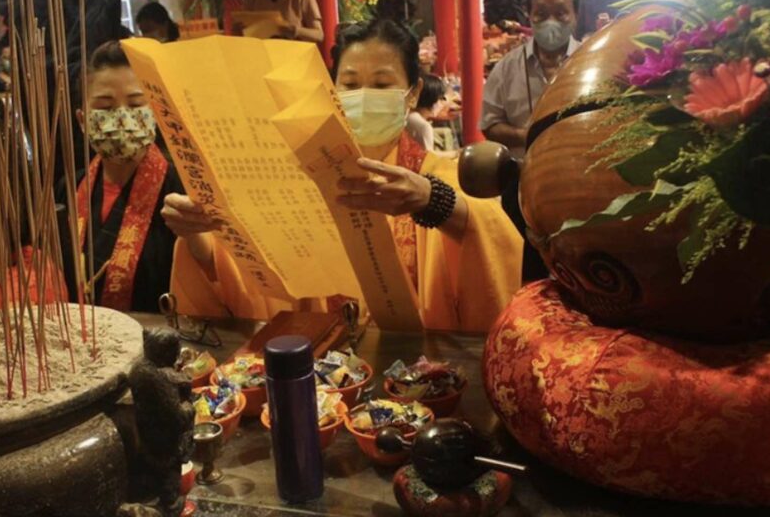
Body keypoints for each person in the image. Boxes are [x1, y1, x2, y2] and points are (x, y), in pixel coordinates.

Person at [162, 18, 523, 333]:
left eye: (381, 86)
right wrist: (200, 237)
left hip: (421, 373)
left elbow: (494, 239)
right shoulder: (301, 182)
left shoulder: (440, 176)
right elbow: (260, 288)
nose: (364, 96)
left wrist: (435, 201)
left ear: (412, 94)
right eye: (349, 85)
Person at [56, 40, 185, 312]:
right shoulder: (68, 189)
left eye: (136, 104)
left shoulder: (181, 192)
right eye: (104, 108)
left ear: (155, 113)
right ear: (82, 120)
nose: (122, 117)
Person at [480, 0, 582, 282]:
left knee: (578, 266)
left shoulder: (589, 61)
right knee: (525, 269)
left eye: (561, 13)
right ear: (530, 17)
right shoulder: (507, 68)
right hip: (521, 180)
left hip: (578, 182)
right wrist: (526, 136)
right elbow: (489, 123)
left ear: (575, 16)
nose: (551, 22)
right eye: (541, 14)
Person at [407, 73, 444, 152]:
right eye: (440, 99)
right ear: (431, 99)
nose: (441, 103)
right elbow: (429, 157)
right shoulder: (424, 126)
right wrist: (456, 153)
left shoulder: (408, 116)